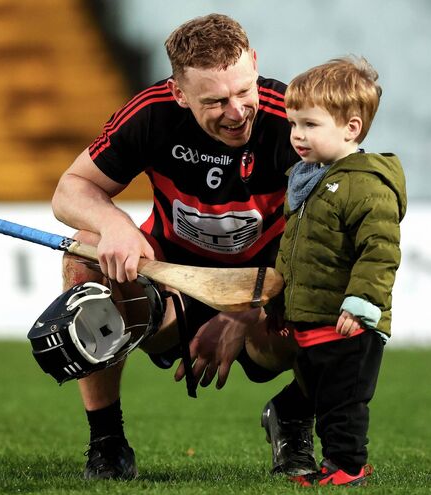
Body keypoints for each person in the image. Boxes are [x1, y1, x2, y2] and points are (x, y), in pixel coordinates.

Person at [51, 13, 316, 480]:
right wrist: (113, 224)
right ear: (178, 92)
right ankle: (107, 444)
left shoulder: (295, 119)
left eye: (243, 91)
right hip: (169, 287)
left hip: (268, 294)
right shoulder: (152, 112)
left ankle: (294, 418)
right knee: (84, 253)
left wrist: (248, 310)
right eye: (215, 101)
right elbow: (70, 188)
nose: (236, 111)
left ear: (254, 64)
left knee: (344, 280)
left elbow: (326, 239)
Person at [268, 56, 407, 486]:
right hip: (314, 321)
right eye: (294, 124)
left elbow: (379, 251)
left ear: (351, 127)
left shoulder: (364, 184)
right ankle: (289, 425)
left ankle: (347, 468)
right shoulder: (309, 179)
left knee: (342, 404)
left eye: (310, 125)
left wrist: (363, 302)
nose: (297, 135)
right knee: (315, 396)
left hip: (350, 325)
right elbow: (294, 249)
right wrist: (279, 302)